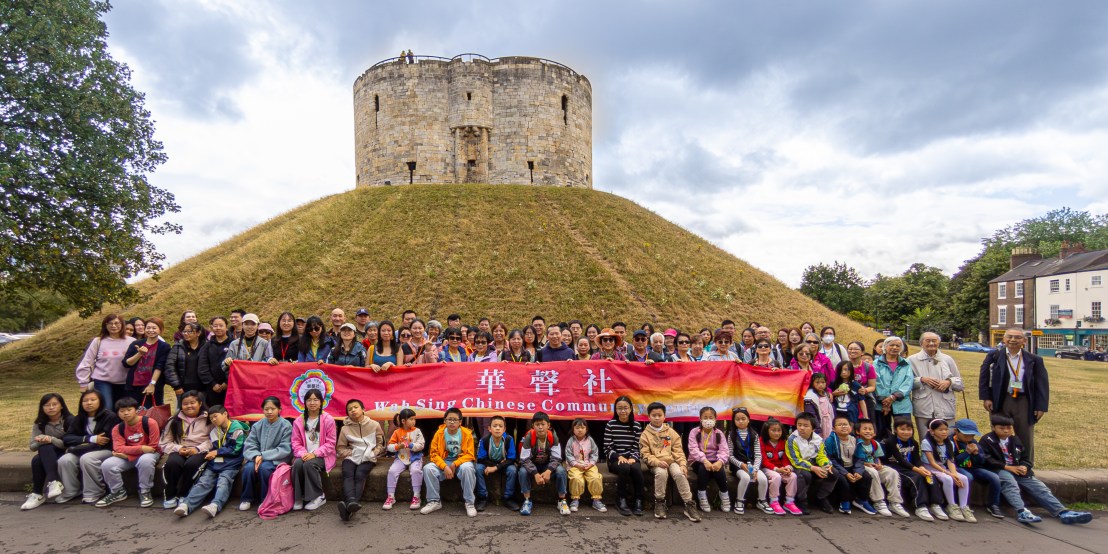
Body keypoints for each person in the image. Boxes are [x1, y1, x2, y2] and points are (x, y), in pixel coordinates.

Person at [979, 414, 1092, 525]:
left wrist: (1025, 466)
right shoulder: (987, 440)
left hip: (1017, 470)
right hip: (999, 469)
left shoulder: (1015, 440)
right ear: (993, 427)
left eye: (1009, 428)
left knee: (1038, 486)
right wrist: (1007, 467)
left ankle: (1062, 512)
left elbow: (1026, 458)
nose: (1006, 431)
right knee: (1010, 484)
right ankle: (1022, 511)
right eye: (1002, 428)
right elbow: (986, 459)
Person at [979, 328, 1049, 463]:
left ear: (1024, 340)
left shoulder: (1034, 360)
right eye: (1009, 337)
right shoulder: (994, 356)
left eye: (1017, 337)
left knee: (1025, 434)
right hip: (1000, 399)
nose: (1013, 340)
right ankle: (1000, 463)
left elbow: (1042, 384)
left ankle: (1026, 465)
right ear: (1004, 339)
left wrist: (1041, 406)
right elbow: (984, 378)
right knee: (1000, 432)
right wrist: (986, 397)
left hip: (1024, 401)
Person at [174, 405, 248, 518]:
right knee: (204, 481)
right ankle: (186, 505)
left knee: (224, 481)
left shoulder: (237, 428)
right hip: (215, 462)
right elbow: (214, 448)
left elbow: (236, 450)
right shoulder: (214, 431)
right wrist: (212, 454)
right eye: (211, 418)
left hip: (232, 463)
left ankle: (215, 505)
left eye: (215, 416)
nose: (213, 420)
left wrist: (217, 452)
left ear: (225, 414)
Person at [640, 401, 702, 521]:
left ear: (664, 416)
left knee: (680, 473)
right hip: (656, 463)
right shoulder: (645, 435)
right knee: (661, 473)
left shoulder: (671, 432)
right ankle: (659, 502)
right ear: (649, 417)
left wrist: (683, 464)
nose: (657, 418)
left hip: (672, 461)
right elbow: (645, 454)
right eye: (654, 415)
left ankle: (689, 503)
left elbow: (678, 450)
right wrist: (656, 462)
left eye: (660, 415)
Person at [56, 390, 119, 504]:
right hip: (84, 449)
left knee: (87, 458)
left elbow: (104, 442)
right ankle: (71, 491)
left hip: (107, 450)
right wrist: (89, 439)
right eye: (85, 401)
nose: (89, 403)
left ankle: (94, 491)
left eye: (93, 400)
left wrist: (73, 449)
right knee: (65, 460)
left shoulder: (110, 417)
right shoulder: (79, 418)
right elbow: (67, 438)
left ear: (100, 401)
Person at [96, 396, 160, 508]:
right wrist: (141, 448)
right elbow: (118, 448)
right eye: (122, 411)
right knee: (108, 464)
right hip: (129, 456)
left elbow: (152, 447)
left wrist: (128, 454)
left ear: (136, 410)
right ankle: (117, 491)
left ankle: (145, 490)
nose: (125, 413)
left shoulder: (150, 423)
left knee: (145, 460)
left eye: (129, 410)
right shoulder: (118, 428)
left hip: (149, 455)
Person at [882, 416, 944, 521]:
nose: (906, 432)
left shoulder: (913, 442)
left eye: (909, 429)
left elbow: (916, 459)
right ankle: (920, 506)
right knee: (916, 477)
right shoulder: (890, 442)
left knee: (930, 475)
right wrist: (918, 470)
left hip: (911, 467)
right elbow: (900, 459)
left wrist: (922, 468)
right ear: (895, 430)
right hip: (895, 467)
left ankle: (935, 504)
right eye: (902, 429)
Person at [21, 393, 75, 510]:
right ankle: (38, 493)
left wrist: (51, 439)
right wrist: (42, 439)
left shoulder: (70, 420)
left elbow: (70, 443)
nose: (51, 408)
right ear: (42, 407)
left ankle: (50, 484)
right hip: (48, 453)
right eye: (47, 405)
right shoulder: (39, 423)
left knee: (44, 450)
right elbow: (32, 446)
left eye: (54, 404)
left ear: (61, 406)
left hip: (66, 452)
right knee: (38, 457)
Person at [158, 390, 211, 509]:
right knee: (172, 463)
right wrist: (179, 448)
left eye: (192, 403)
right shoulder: (174, 420)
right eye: (185, 403)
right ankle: (170, 495)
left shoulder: (209, 419)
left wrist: (197, 449)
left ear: (200, 403)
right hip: (180, 449)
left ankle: (185, 494)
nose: (189, 406)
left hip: (200, 450)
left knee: (192, 465)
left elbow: (213, 440)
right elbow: (164, 442)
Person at [421, 407, 478, 517]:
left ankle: (469, 502)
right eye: (449, 419)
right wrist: (444, 466)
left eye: (455, 420)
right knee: (428, 468)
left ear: (460, 422)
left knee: (468, 468)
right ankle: (434, 501)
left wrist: (455, 464)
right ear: (445, 420)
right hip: (444, 461)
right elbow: (433, 454)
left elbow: (470, 455)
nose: (452, 422)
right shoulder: (440, 433)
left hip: (460, 462)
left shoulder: (466, 434)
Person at [239, 396, 293, 511]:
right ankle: (246, 498)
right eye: (266, 409)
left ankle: (265, 499)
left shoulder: (286, 425)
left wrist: (263, 456)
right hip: (257, 457)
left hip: (276, 459)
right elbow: (250, 444)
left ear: (279, 409)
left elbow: (285, 448)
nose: (269, 412)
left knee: (265, 469)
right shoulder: (258, 425)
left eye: (272, 409)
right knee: (248, 468)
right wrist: (255, 456)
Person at [337, 399, 384, 521]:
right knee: (347, 474)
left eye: (355, 407)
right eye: (349, 409)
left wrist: (373, 453)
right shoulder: (345, 429)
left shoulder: (374, 425)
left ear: (363, 409)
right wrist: (352, 452)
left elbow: (381, 443)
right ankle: (352, 502)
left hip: (368, 457)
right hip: (351, 457)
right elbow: (340, 448)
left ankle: (349, 507)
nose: (353, 410)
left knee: (360, 474)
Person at [75, 314, 135, 411]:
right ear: (105, 325)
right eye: (110, 323)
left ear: (122, 324)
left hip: (125, 382)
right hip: (103, 381)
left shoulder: (131, 341)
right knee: (107, 409)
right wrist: (83, 383)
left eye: (117, 323)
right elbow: (87, 362)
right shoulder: (98, 341)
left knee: (124, 410)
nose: (113, 326)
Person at [290, 389, 336, 511]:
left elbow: (331, 444)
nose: (312, 402)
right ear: (304, 402)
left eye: (316, 399)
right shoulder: (298, 421)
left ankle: (319, 496)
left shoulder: (328, 419)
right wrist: (303, 453)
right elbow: (295, 442)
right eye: (309, 400)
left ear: (321, 402)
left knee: (309, 465)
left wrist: (315, 454)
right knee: (297, 464)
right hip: (304, 454)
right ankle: (298, 498)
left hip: (323, 456)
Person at [909, 332, 964, 433]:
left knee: (947, 438)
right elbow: (906, 383)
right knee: (926, 440)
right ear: (921, 343)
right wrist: (921, 380)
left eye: (934, 341)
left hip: (946, 406)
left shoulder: (947, 359)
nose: (931, 343)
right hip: (924, 407)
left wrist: (949, 382)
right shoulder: (911, 360)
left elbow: (960, 383)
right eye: (928, 341)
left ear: (939, 343)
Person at [921, 419, 974, 522]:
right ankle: (952, 506)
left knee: (964, 479)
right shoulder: (926, 442)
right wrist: (949, 474)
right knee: (948, 479)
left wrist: (955, 474)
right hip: (932, 468)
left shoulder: (949, 442)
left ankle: (964, 507)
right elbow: (932, 463)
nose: (944, 432)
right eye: (940, 430)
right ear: (932, 431)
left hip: (944, 468)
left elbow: (950, 461)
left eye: (946, 429)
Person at [951, 418, 1005, 519]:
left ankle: (993, 504)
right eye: (965, 435)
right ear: (956, 431)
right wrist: (966, 453)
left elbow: (981, 462)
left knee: (994, 477)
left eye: (971, 435)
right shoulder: (951, 442)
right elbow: (952, 461)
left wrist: (976, 454)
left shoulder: (974, 442)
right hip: (958, 468)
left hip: (974, 468)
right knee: (968, 477)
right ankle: (963, 504)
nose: (969, 438)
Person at [786, 412, 840, 515]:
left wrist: (826, 465)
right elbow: (795, 460)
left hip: (814, 464)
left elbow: (822, 455)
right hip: (798, 466)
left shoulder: (818, 439)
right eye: (799, 425)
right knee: (804, 475)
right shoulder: (792, 439)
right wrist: (813, 468)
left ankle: (821, 498)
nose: (801, 428)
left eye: (806, 426)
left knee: (833, 472)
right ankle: (801, 501)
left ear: (813, 428)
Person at [854, 418, 909, 517]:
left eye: (870, 429)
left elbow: (876, 457)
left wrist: (878, 464)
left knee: (892, 472)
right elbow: (857, 460)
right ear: (858, 431)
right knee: (873, 472)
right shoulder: (857, 444)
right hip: (862, 467)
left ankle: (894, 502)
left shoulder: (875, 443)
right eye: (865, 429)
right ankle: (878, 501)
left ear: (874, 432)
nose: (868, 431)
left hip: (874, 465)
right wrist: (868, 464)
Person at [822, 416, 875, 515]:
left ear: (850, 427)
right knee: (842, 479)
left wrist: (858, 471)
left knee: (866, 476)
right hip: (839, 467)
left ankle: (862, 500)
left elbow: (860, 458)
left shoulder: (856, 440)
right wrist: (846, 473)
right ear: (833, 428)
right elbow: (830, 459)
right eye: (839, 425)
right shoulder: (830, 441)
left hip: (853, 467)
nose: (843, 427)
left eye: (846, 424)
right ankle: (844, 501)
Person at [518, 411, 569, 516]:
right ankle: (527, 500)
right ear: (533, 426)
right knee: (522, 471)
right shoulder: (529, 437)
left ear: (548, 425)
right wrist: (535, 473)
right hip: (533, 464)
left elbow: (556, 458)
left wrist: (549, 471)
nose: (540, 427)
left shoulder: (553, 437)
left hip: (547, 464)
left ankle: (562, 500)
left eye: (543, 424)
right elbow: (524, 459)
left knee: (561, 470)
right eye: (537, 425)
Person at [604, 395, 644, 516]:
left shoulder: (636, 425)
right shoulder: (611, 424)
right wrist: (618, 456)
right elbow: (607, 447)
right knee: (624, 467)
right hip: (615, 459)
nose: (623, 411)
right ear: (615, 410)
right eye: (619, 408)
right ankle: (621, 499)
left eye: (625, 408)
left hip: (631, 458)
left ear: (631, 409)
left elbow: (638, 446)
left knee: (637, 469)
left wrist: (633, 458)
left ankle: (639, 500)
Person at [727, 407, 770, 514]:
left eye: (743, 418)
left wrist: (755, 469)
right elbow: (730, 456)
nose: (741, 421)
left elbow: (758, 455)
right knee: (745, 477)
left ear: (748, 419)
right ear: (734, 421)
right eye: (737, 419)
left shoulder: (754, 434)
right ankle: (739, 501)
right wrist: (741, 465)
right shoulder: (731, 435)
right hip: (738, 466)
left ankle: (761, 500)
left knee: (763, 479)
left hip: (752, 465)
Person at [688, 407, 730, 513]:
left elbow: (724, 450)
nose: (708, 420)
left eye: (711, 417)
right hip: (698, 461)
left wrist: (720, 461)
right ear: (700, 419)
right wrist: (704, 460)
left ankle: (724, 496)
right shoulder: (694, 432)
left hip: (715, 460)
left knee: (719, 470)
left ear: (715, 419)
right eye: (705, 417)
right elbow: (693, 450)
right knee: (703, 468)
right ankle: (702, 495)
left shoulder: (719, 433)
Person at [121, 317, 170, 407]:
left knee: (151, 414)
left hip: (153, 386)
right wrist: (139, 354)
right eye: (148, 328)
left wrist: (152, 384)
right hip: (133, 385)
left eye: (154, 328)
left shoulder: (164, 346)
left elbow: (159, 366)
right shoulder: (136, 343)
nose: (151, 330)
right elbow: (126, 363)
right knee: (133, 411)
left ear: (160, 330)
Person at [475, 415, 519, 511]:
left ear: (504, 429)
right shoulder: (484, 440)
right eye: (495, 426)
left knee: (512, 470)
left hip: (503, 464)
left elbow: (512, 459)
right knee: (478, 468)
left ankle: (508, 498)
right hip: (489, 462)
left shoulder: (509, 439)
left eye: (500, 426)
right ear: (489, 428)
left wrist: (496, 467)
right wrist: (493, 465)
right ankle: (483, 497)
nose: (498, 428)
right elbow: (480, 459)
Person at [384, 408, 425, 511]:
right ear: (403, 421)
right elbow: (390, 446)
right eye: (411, 419)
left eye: (414, 419)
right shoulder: (397, 432)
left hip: (415, 458)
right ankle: (390, 496)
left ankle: (416, 496)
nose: (413, 421)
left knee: (415, 471)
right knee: (392, 471)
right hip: (401, 458)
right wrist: (398, 447)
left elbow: (421, 445)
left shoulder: (417, 431)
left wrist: (411, 445)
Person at [874, 336, 914, 440]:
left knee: (904, 430)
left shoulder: (906, 363)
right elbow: (876, 382)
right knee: (882, 431)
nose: (895, 347)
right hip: (881, 404)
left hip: (901, 404)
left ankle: (904, 453)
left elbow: (908, 382)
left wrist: (893, 397)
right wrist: (885, 400)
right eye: (891, 345)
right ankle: (885, 455)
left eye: (898, 345)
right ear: (885, 346)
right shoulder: (876, 363)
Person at [760, 417, 802, 515]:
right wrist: (777, 469)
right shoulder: (762, 441)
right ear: (767, 431)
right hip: (768, 468)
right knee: (776, 477)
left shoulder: (783, 442)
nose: (777, 433)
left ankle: (789, 501)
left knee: (793, 476)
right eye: (773, 430)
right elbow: (764, 460)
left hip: (781, 468)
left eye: (779, 430)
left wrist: (787, 467)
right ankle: (774, 501)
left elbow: (785, 457)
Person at [164, 322, 206, 406]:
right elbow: (170, 367)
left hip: (203, 387)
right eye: (184, 331)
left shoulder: (206, 346)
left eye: (189, 331)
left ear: (198, 333)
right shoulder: (178, 347)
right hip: (183, 388)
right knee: (183, 411)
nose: (186, 334)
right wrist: (177, 386)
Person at [198, 316, 233, 407]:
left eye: (221, 325)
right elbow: (203, 366)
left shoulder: (234, 344)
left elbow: (237, 364)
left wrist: (227, 382)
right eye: (215, 326)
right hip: (212, 387)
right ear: (211, 328)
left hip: (231, 386)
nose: (218, 328)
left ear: (226, 327)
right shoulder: (207, 346)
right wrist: (212, 383)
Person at [846, 340, 878, 420]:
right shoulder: (843, 366)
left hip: (865, 399)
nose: (852, 351)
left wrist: (865, 390)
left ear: (862, 352)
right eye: (850, 349)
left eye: (856, 349)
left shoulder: (868, 367)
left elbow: (872, 386)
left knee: (867, 423)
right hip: (847, 400)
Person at [803, 373, 834, 438]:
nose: (820, 385)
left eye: (823, 382)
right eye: (817, 382)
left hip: (828, 422)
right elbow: (811, 414)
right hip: (819, 424)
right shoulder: (810, 397)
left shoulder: (825, 394)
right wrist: (816, 427)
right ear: (812, 383)